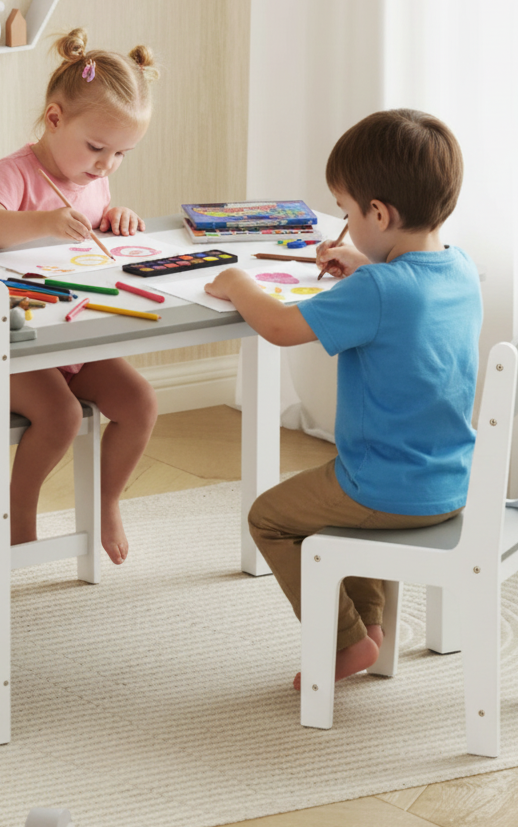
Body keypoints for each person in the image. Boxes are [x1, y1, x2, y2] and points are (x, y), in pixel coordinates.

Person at [204, 109, 481, 688]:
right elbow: (405, 302)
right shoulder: (459, 270)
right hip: (449, 481)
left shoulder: (381, 289)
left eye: (348, 212)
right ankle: (369, 634)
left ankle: (344, 643)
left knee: (271, 518)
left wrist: (236, 282)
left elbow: (279, 326)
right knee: (337, 510)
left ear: (379, 213)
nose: (346, 224)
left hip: (383, 486)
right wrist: (365, 265)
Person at [0, 28, 160, 565]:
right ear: (55, 119)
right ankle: (19, 511)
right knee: (61, 417)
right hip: (18, 346)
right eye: (97, 148)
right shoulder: (16, 173)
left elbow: (92, 229)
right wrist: (44, 222)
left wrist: (115, 215)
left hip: (75, 336)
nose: (105, 165)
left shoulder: (93, 178)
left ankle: (107, 502)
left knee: (140, 404)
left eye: (121, 153)